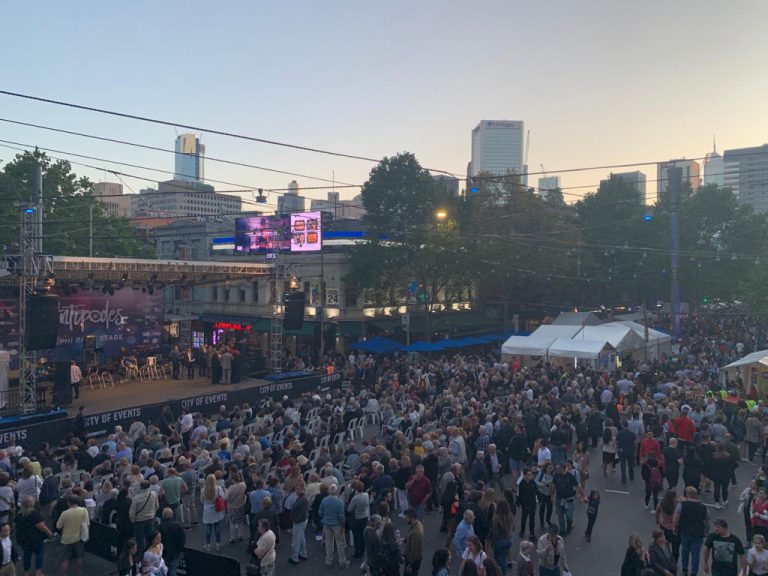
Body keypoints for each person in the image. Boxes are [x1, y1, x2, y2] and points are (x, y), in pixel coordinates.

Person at [675, 486, 710, 576]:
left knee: (684, 551)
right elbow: (707, 520)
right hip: (698, 533)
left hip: (685, 531)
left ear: (687, 494)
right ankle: (694, 572)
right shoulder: (703, 507)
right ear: (696, 495)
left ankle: (685, 569)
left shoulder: (682, 505)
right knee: (695, 554)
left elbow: (676, 517)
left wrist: (675, 527)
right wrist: (706, 530)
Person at [15, 495, 52, 576]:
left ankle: (26, 571)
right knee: (39, 554)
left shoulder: (19, 514)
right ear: (32, 504)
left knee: (26, 555)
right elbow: (42, 527)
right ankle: (38, 572)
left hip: (24, 539)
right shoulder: (35, 514)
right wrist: (49, 534)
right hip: (36, 539)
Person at [56, 496, 90, 576]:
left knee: (65, 558)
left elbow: (58, 526)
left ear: (68, 503)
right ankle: (79, 572)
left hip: (67, 538)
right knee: (79, 556)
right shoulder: (83, 510)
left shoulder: (64, 513)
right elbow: (87, 524)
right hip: (79, 537)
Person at [319, 483, 347, 568]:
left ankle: (328, 561)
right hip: (337, 525)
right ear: (336, 492)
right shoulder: (339, 502)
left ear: (328, 491)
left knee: (328, 542)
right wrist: (343, 526)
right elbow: (341, 517)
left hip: (327, 524)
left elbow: (320, 512)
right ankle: (342, 562)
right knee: (340, 543)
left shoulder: (324, 500)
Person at [130, 480, 159, 558]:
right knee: (150, 538)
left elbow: (132, 512)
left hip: (139, 521)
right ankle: (150, 555)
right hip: (150, 519)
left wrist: (133, 521)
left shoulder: (136, 498)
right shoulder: (154, 494)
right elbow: (157, 506)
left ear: (140, 487)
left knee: (140, 540)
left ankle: (140, 557)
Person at [201, 473, 226, 551]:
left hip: (207, 511)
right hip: (216, 510)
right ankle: (218, 544)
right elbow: (224, 497)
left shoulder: (203, 490)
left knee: (208, 528)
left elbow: (201, 501)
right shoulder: (218, 488)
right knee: (217, 527)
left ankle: (208, 544)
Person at [158, 507, 185, 576]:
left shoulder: (160, 527)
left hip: (164, 553)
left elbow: (157, 541)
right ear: (172, 515)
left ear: (163, 516)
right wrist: (179, 550)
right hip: (175, 554)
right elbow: (182, 539)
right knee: (173, 571)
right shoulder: (178, 526)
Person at [348, 480, 370, 560]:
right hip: (365, 517)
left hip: (357, 518)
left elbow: (350, 509)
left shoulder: (355, 498)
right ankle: (362, 551)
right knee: (362, 534)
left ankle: (357, 553)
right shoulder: (366, 495)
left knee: (356, 536)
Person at [656, 490, 680, 563]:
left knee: (666, 544)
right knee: (675, 548)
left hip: (664, 526)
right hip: (674, 529)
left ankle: (667, 559)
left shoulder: (662, 504)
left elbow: (657, 512)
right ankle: (674, 562)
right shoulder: (677, 506)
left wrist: (657, 520)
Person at [492, 499, 514, 575]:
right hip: (508, 540)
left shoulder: (496, 519)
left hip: (499, 541)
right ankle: (504, 573)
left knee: (496, 560)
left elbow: (495, 533)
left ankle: (497, 573)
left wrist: (492, 543)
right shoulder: (510, 516)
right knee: (504, 558)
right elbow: (513, 528)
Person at [289, 482, 309, 564]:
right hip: (301, 521)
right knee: (301, 538)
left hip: (299, 521)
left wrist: (295, 520)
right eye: (296, 488)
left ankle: (295, 557)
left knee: (296, 540)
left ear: (302, 489)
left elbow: (302, 513)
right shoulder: (301, 498)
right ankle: (303, 553)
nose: (296, 490)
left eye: (298, 488)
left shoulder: (302, 499)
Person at [518, 469, 537, 541]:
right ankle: (522, 531)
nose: (531, 476)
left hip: (532, 503)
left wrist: (540, 500)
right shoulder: (522, 484)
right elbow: (520, 495)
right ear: (525, 475)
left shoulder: (532, 482)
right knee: (524, 518)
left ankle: (531, 534)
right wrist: (522, 504)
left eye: (531, 474)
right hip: (525, 505)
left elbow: (536, 491)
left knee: (532, 519)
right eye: (529, 474)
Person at [404, 508, 425, 576]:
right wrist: (405, 540)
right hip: (417, 558)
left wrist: (409, 564)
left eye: (406, 517)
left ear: (411, 518)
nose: (405, 519)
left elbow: (413, 551)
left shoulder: (415, 532)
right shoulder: (418, 524)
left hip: (413, 561)